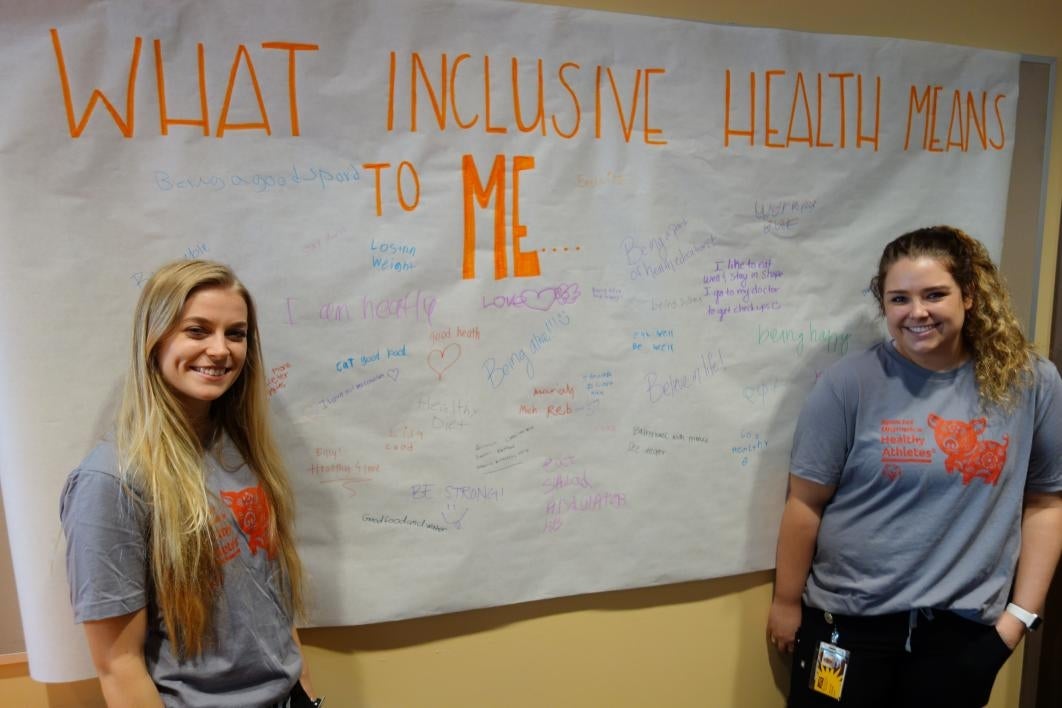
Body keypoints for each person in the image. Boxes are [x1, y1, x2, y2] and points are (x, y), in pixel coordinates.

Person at [766, 226, 1062, 706]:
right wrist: (785, 601)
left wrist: (1017, 622)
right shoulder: (850, 384)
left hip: (961, 637)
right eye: (899, 298)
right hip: (847, 626)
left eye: (935, 294)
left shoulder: (1030, 383)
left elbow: (1046, 503)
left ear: (968, 295)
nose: (916, 312)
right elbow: (805, 502)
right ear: (883, 305)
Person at [61, 260, 321, 707]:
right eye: (197, 331)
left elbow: (273, 600)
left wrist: (309, 696)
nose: (221, 350)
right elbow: (117, 665)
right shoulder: (110, 481)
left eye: (235, 334)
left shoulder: (240, 448)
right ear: (154, 339)